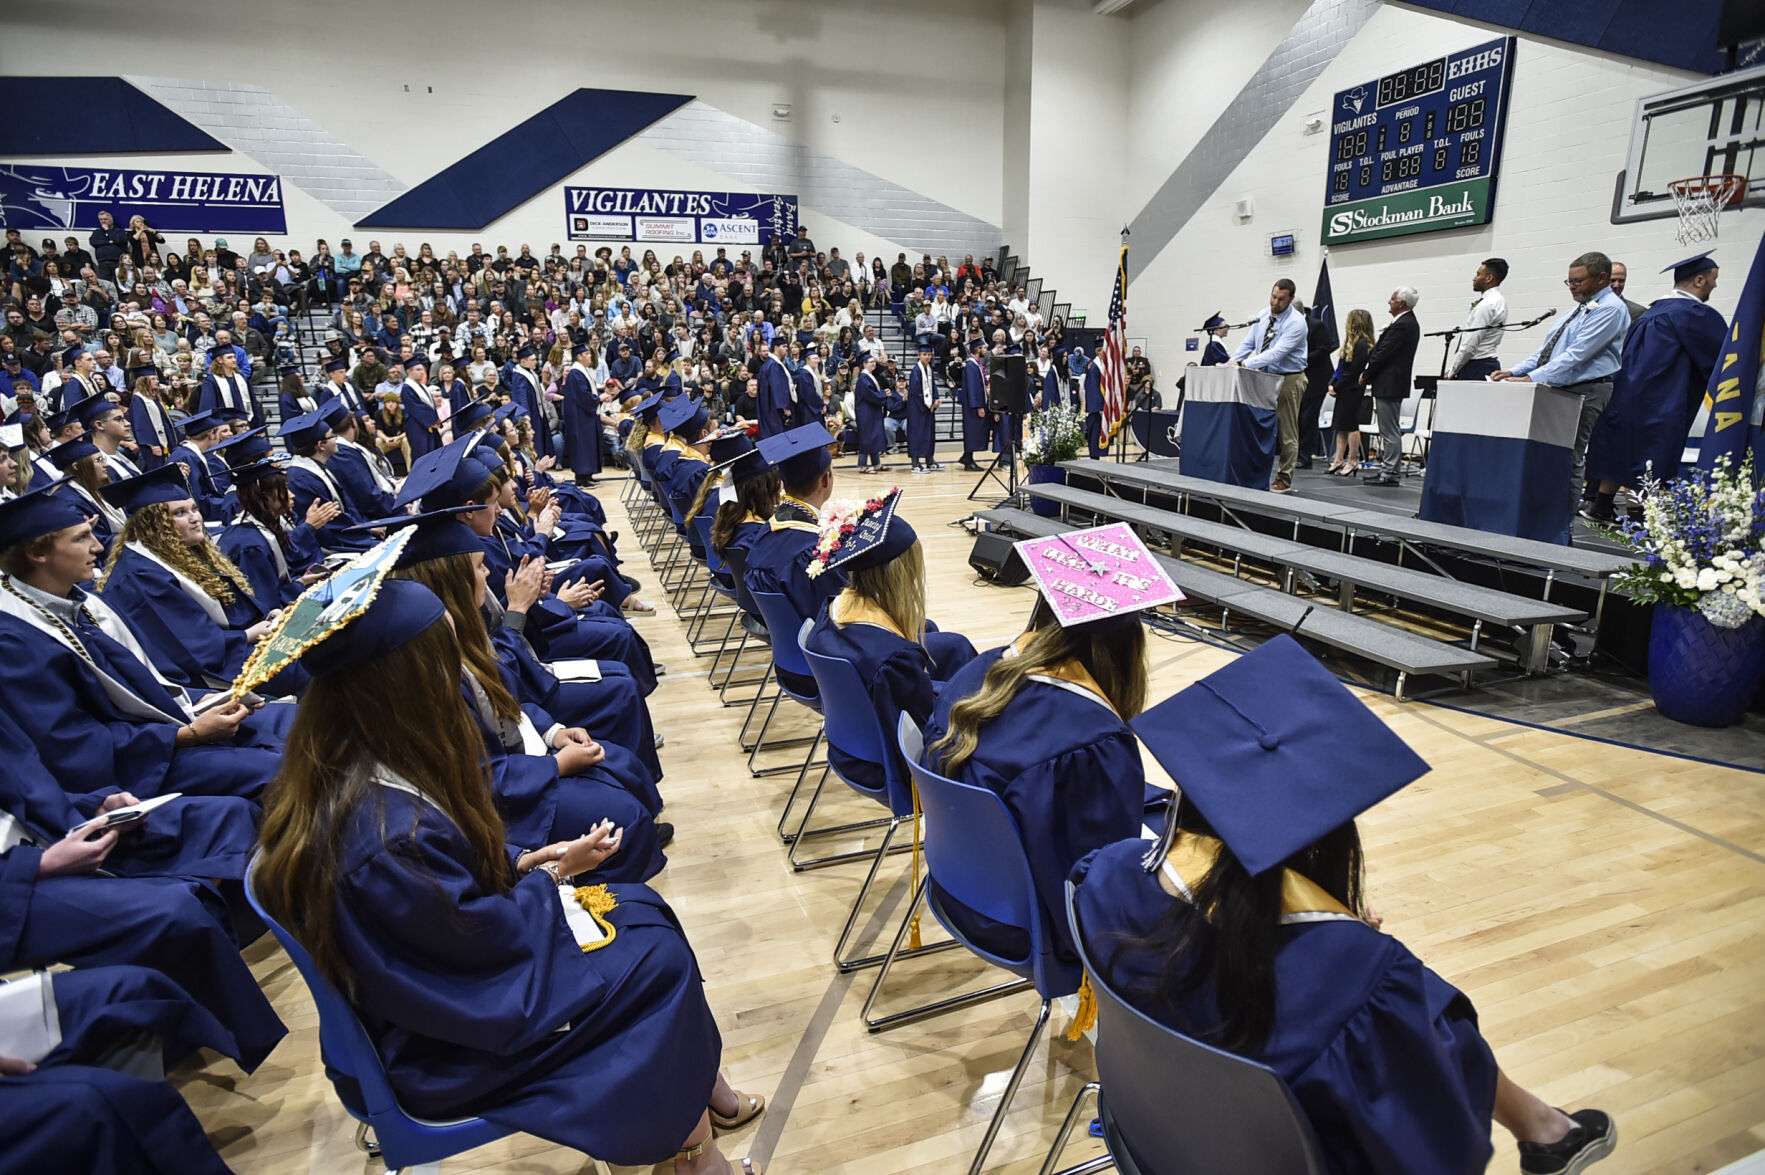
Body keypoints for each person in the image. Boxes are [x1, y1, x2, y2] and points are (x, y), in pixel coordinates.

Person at [251, 579, 764, 1173]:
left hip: (442, 990)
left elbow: (447, 897)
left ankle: (698, 1102)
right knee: (656, 963)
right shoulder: (382, 838)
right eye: (444, 659)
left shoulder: (360, 758)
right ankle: (695, 1159)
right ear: (404, 683)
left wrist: (528, 862)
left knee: (642, 911)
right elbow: (479, 954)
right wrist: (552, 881)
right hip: (443, 1046)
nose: (458, 675)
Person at [1070, 635, 1618, 1175]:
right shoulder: (1361, 979)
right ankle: (1545, 1129)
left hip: (1148, 1133)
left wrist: (1338, 936)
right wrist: (1349, 949)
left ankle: (1544, 1127)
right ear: (1327, 831)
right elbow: (1428, 1147)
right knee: (1420, 1020)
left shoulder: (1108, 873)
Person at [921, 523, 1178, 966]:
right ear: (1126, 647)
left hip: (958, 887)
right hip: (1031, 929)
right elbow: (1095, 872)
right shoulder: (1093, 742)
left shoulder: (976, 673)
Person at [0, 482, 284, 803]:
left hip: (163, 727)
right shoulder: (16, 641)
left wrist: (207, 700)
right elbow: (71, 743)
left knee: (290, 722)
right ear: (37, 553)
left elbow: (149, 681)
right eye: (81, 538)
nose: (98, 547)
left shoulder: (83, 604)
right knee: (280, 767)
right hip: (134, 764)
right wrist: (185, 735)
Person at [803, 490, 976, 792]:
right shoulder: (894, 660)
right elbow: (926, 727)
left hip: (849, 744)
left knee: (953, 646)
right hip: (892, 768)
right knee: (981, 702)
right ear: (899, 576)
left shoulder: (830, 609)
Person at [1582, 252, 1727, 522]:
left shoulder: (1652, 312)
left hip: (1626, 394)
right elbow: (1721, 360)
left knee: (1623, 447)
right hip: (1661, 399)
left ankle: (1600, 505)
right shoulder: (1693, 315)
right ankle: (1638, 518)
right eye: (1713, 279)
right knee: (1648, 453)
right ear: (1699, 280)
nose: (1715, 285)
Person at [1494, 251, 1629, 509]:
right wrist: (1515, 371)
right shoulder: (1579, 309)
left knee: (1569, 456)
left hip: (1587, 390)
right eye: (1570, 281)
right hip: (1562, 387)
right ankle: (1542, 512)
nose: (1573, 287)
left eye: (1578, 281)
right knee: (1550, 453)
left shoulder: (1610, 309)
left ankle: (1562, 521)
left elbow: (1577, 355)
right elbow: (1548, 351)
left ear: (1601, 278)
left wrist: (1532, 378)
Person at [1228, 279, 1309, 493]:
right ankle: (1253, 472)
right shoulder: (1263, 315)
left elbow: (1277, 353)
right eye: (1273, 297)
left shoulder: (1296, 322)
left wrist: (1244, 364)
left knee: (1287, 431)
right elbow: (1249, 342)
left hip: (1288, 377)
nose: (1275, 302)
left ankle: (1284, 477)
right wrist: (1232, 362)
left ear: (1290, 299)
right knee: (1257, 424)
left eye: (1281, 299)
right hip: (1263, 376)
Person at [219, 457, 333, 607]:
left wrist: (300, 582)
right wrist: (298, 586)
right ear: (264, 496)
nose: (292, 495)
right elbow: (267, 604)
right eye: (284, 489)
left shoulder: (259, 527)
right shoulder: (250, 546)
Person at [279, 410, 376, 552]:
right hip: (333, 545)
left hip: (347, 536)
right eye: (332, 436)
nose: (336, 439)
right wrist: (366, 534)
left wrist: (367, 527)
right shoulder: (302, 478)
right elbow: (329, 523)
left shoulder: (319, 466)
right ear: (321, 445)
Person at [1360, 287, 1421, 487]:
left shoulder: (1403, 325)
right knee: (1389, 429)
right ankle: (1390, 470)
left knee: (1389, 430)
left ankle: (1389, 472)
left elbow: (1383, 353)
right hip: (1392, 382)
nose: (1389, 301)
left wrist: (1367, 374)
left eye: (1393, 299)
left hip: (1390, 383)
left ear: (1402, 303)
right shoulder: (1406, 323)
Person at [1445, 258, 1510, 381]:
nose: (1474, 278)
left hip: (1476, 366)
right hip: (1485, 363)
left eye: (1478, 274)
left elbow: (1470, 344)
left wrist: (1452, 371)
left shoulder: (1487, 305)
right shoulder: (1499, 300)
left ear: (1489, 278)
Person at [1327, 309, 1374, 476]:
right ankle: (1338, 459)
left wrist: (1338, 386)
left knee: (1351, 425)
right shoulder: (1350, 343)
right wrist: (1332, 383)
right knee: (1341, 425)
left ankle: (1352, 460)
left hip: (1353, 389)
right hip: (1344, 388)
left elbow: (1353, 370)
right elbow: (1341, 367)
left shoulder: (1363, 345)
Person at [561, 340, 604, 484]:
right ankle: (581, 477)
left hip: (585, 415)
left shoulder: (582, 371)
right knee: (582, 446)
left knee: (588, 445)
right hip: (579, 417)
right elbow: (583, 395)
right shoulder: (575, 373)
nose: (590, 356)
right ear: (579, 357)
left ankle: (587, 475)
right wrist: (599, 398)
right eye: (587, 353)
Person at [400, 355, 446, 460]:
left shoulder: (423, 387)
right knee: (423, 455)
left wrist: (436, 419)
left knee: (435, 452)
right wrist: (433, 420)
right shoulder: (407, 388)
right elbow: (417, 408)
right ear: (409, 371)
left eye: (422, 369)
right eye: (418, 370)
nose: (421, 372)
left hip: (428, 424)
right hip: (417, 426)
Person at [905, 342, 941, 473]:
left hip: (927, 409)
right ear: (919, 355)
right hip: (917, 409)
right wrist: (930, 403)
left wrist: (936, 399)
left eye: (929, 354)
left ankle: (929, 461)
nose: (927, 357)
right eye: (924, 354)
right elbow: (916, 393)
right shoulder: (916, 371)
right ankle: (915, 464)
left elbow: (933, 387)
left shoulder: (929, 369)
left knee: (929, 435)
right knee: (917, 435)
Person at [853, 353, 888, 475]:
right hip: (866, 413)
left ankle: (877, 464)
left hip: (871, 411)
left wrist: (882, 393)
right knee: (866, 438)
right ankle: (863, 466)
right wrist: (883, 394)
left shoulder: (869, 376)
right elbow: (870, 395)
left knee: (873, 437)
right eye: (870, 362)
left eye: (874, 361)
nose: (873, 364)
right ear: (864, 364)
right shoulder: (863, 378)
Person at [959, 340, 991, 471]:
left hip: (976, 404)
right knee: (972, 432)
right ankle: (968, 460)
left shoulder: (976, 364)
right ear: (978, 349)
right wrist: (978, 406)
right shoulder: (971, 366)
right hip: (973, 407)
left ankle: (967, 457)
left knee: (974, 432)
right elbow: (972, 388)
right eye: (984, 348)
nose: (985, 350)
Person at [757, 335, 795, 438]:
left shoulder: (770, 363)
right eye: (784, 346)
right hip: (774, 408)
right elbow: (777, 388)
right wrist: (785, 406)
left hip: (770, 405)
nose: (786, 349)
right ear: (776, 348)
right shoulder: (773, 365)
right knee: (779, 435)